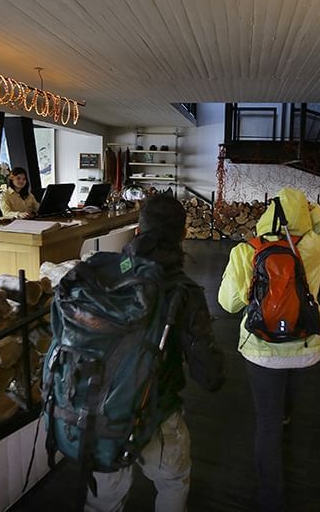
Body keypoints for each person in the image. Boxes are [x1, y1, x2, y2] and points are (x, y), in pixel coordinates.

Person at [85, 194, 226, 512]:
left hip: (100, 411)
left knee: (102, 501)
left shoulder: (105, 275)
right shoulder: (185, 291)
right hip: (157, 409)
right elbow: (210, 375)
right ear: (183, 234)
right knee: (173, 481)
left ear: (137, 231)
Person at [218, 187, 320, 512]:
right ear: (302, 215)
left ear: (266, 214)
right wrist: (313, 208)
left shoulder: (247, 251)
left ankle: (270, 500)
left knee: (266, 421)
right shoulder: (312, 247)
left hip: (260, 348)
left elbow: (227, 304)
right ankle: (287, 412)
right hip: (308, 345)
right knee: (292, 383)